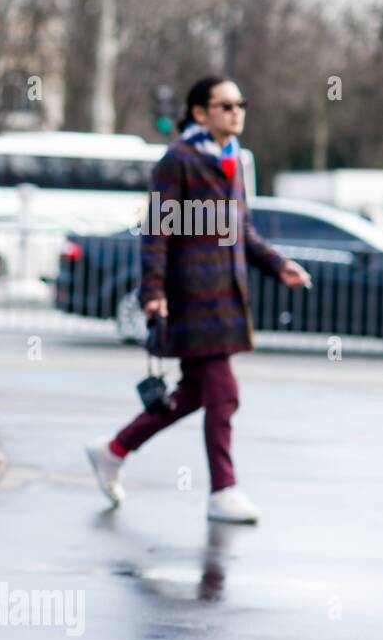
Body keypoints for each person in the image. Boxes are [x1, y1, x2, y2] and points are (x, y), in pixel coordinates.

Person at [85, 76, 311, 523]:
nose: (236, 111)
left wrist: (276, 264)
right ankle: (223, 489)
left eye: (239, 103)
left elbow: (241, 230)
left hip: (227, 296)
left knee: (194, 393)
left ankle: (113, 450)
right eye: (225, 105)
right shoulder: (179, 161)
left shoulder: (235, 162)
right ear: (199, 113)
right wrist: (153, 291)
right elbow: (158, 230)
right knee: (223, 393)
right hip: (192, 298)